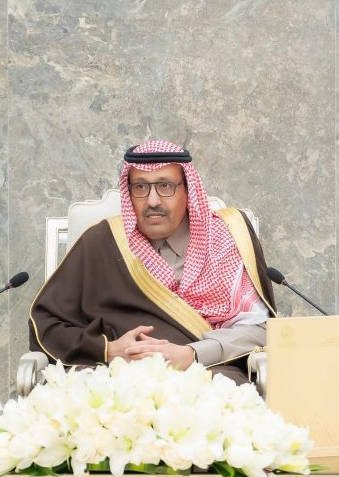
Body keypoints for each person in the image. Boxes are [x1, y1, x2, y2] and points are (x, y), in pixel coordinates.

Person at [29, 140, 276, 384]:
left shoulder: (226, 238)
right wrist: (107, 350)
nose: (153, 201)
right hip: (115, 381)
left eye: (165, 186)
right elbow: (47, 324)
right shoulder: (100, 242)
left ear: (188, 190)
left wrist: (194, 354)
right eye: (140, 187)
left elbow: (261, 330)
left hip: (205, 377)